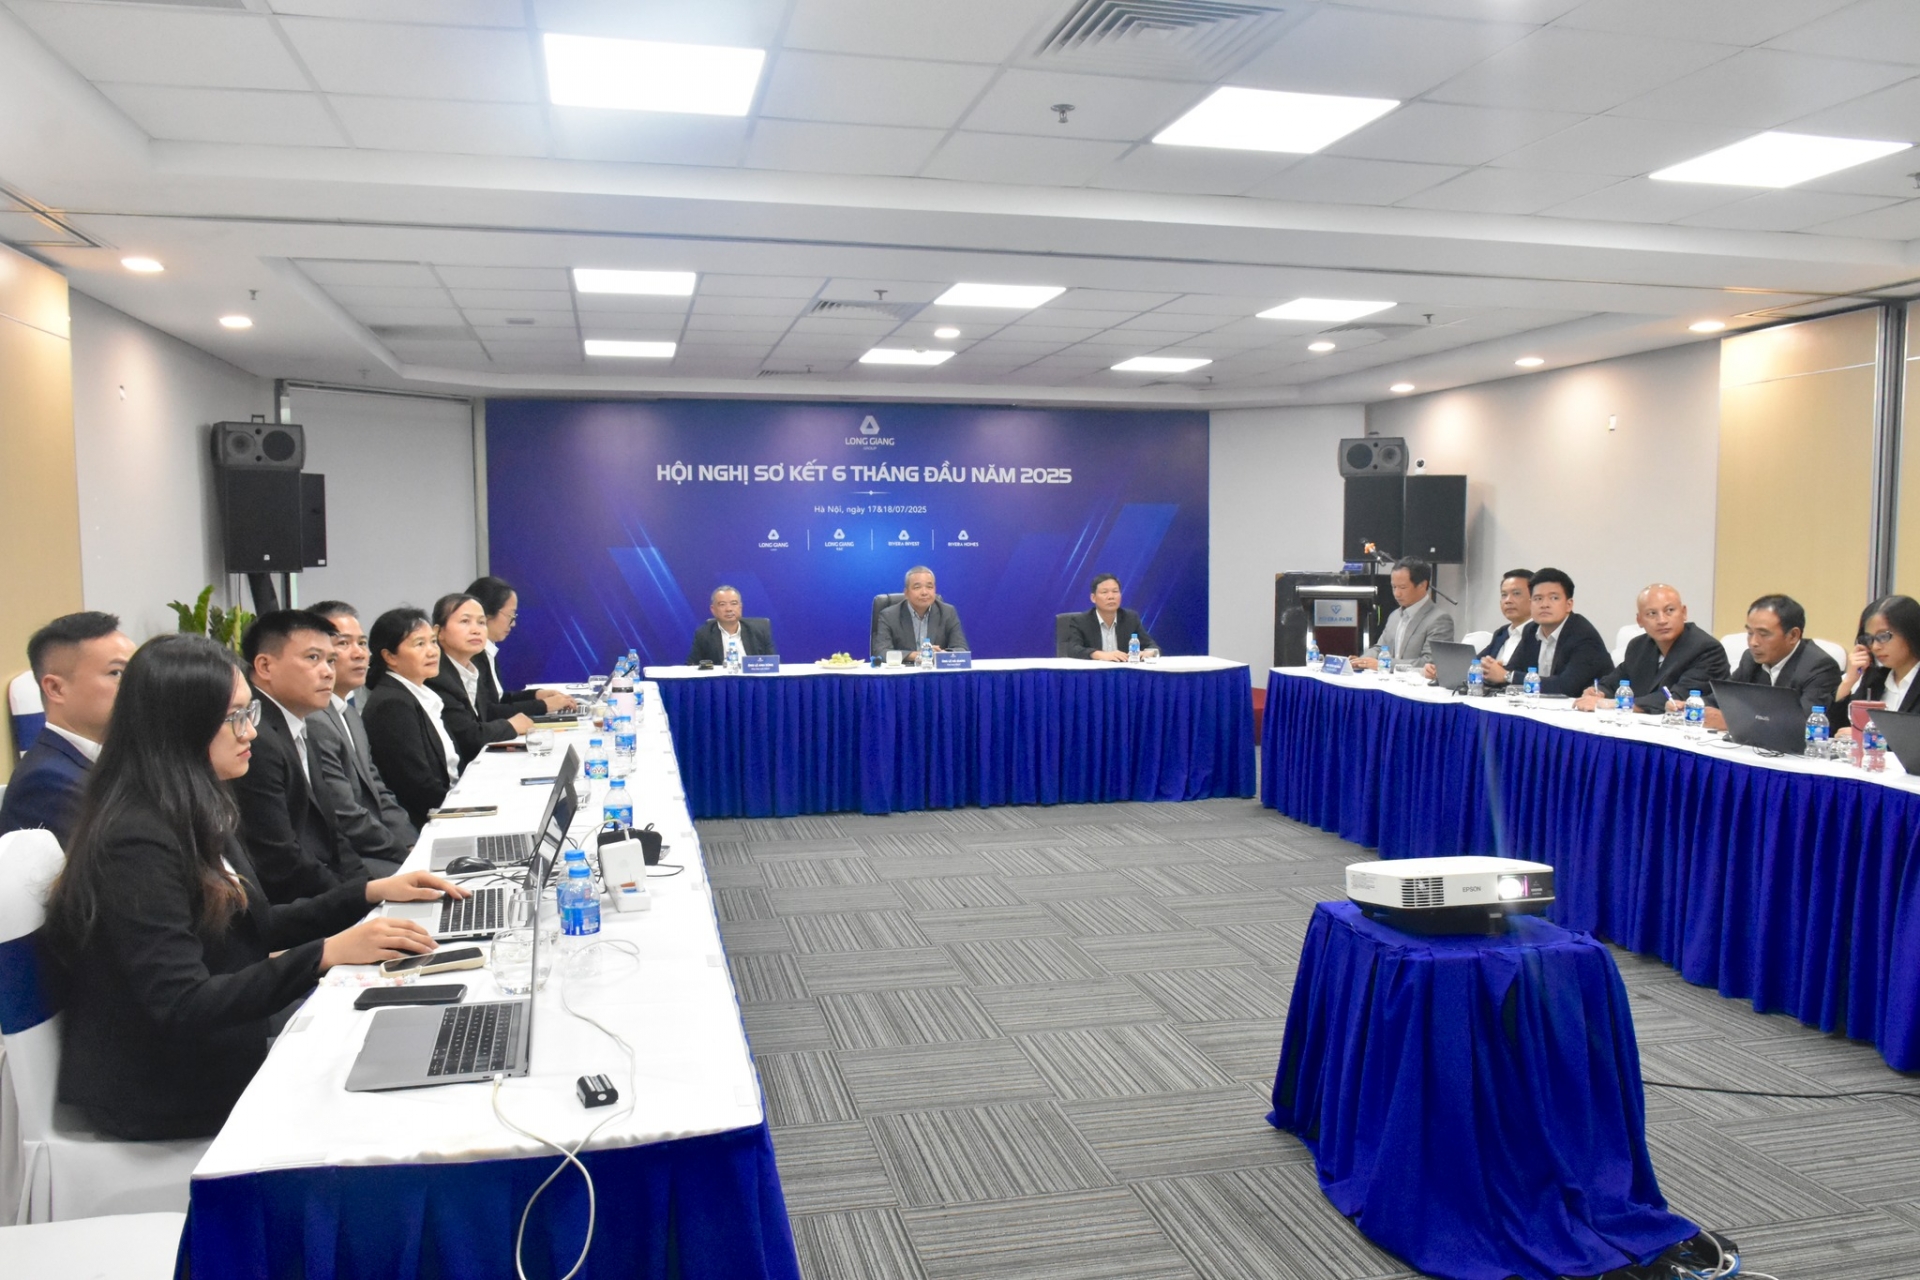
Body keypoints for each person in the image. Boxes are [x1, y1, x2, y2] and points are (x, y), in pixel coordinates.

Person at [44, 633, 461, 1140]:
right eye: (234, 718)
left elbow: (253, 925)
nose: (252, 732)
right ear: (180, 726)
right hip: (165, 1086)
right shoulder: (135, 839)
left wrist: (369, 893)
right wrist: (325, 953)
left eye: (250, 713)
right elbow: (182, 1003)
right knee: (392, 1097)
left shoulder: (195, 803)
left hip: (214, 1047)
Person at [232, 610, 376, 903]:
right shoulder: (255, 738)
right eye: (313, 658)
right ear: (265, 666)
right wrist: (358, 899)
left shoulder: (299, 724)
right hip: (292, 906)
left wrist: (367, 889)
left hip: (324, 888)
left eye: (330, 660)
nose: (328, 672)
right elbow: (280, 857)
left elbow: (333, 833)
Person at [0, 612, 133, 844]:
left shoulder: (119, 758)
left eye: (136, 672)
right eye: (117, 673)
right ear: (56, 689)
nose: (135, 685)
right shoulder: (46, 783)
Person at [305, 601, 418, 867]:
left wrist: (411, 842)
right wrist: (405, 854)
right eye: (343, 643)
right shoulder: (314, 721)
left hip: (379, 845)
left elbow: (378, 790)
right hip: (351, 858)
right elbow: (345, 813)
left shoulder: (351, 713)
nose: (359, 654)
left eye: (363, 643)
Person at [361, 607, 463, 831]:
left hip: (446, 807)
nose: (432, 651)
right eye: (419, 644)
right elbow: (417, 787)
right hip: (426, 823)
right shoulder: (392, 704)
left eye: (433, 642)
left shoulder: (418, 694)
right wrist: (466, 810)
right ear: (389, 657)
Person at [1576, 584, 1728, 714]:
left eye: (1669, 610)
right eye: (1652, 614)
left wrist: (1612, 704)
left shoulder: (1706, 649)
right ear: (1639, 620)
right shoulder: (1638, 646)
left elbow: (1677, 700)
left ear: (1684, 613)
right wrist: (1598, 692)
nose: (1661, 620)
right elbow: (1614, 682)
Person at [1702, 594, 1842, 730]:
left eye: (1764, 634)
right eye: (1750, 633)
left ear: (1793, 635)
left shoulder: (1819, 667)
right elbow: (1721, 698)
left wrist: (1733, 723)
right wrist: (1696, 706)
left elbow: (1803, 724)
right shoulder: (1751, 659)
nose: (1753, 642)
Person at [427, 592, 534, 765]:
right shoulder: (437, 677)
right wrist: (511, 725)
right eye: (465, 621)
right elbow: (468, 737)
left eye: (481, 622)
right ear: (439, 632)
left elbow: (484, 718)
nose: (476, 630)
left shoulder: (470, 670)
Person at [1483, 567, 1611, 695]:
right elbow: (1515, 668)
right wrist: (1492, 670)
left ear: (1569, 605)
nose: (1545, 604)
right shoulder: (1531, 630)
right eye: (1538, 599)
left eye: (1554, 598)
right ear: (1531, 603)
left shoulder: (1583, 635)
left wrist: (1507, 676)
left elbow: (1566, 687)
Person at [464, 576, 575, 713]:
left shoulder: (487, 651)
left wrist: (536, 695)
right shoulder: (471, 656)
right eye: (511, 616)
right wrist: (543, 706)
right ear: (486, 613)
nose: (513, 624)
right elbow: (487, 713)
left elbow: (497, 699)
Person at [1423, 569, 1529, 682]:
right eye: (1504, 595)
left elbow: (1535, 677)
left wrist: (1505, 675)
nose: (1508, 600)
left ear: (1534, 598)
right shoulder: (1502, 633)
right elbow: (1474, 663)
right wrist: (1441, 670)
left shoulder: (1537, 635)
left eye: (1516, 594)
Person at [1833, 594, 1920, 724]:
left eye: (1883, 636)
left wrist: (1869, 734)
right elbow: (1833, 728)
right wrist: (1849, 681)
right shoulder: (1874, 679)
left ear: (1910, 633)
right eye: (1869, 639)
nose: (1875, 647)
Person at [1353, 558, 1453, 671]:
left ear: (1422, 585)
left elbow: (1430, 663)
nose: (1397, 594)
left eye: (1403, 587)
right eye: (1394, 587)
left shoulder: (1439, 619)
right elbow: (1380, 648)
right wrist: (1361, 661)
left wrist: (1383, 664)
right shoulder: (1394, 615)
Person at [871, 566, 969, 661]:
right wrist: (918, 655)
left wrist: (942, 655)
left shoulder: (948, 612)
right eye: (917, 587)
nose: (924, 592)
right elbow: (881, 652)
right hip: (905, 671)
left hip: (934, 671)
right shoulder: (889, 616)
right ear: (906, 593)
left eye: (929, 587)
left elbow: (961, 649)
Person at [1058, 573, 1159, 661]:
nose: (1111, 597)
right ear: (1093, 598)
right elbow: (1073, 649)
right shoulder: (1080, 621)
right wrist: (1101, 655)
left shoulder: (1130, 618)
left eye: (1115, 591)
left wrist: (1148, 653)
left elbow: (1152, 646)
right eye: (1104, 592)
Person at [688, 585, 776, 666]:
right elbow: (692, 666)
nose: (729, 609)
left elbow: (773, 664)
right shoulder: (704, 634)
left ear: (740, 607)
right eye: (722, 604)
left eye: (734, 603)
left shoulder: (759, 630)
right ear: (713, 609)